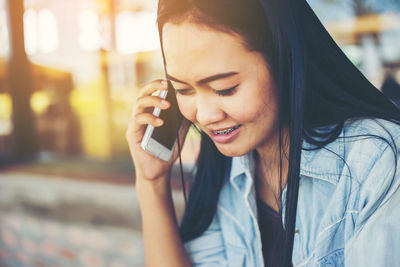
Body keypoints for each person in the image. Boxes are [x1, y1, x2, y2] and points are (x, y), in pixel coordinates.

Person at [125, 0, 400, 266]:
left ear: (285, 61)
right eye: (184, 90)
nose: (205, 116)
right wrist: (151, 182)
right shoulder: (225, 166)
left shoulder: (378, 163)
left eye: (225, 88)